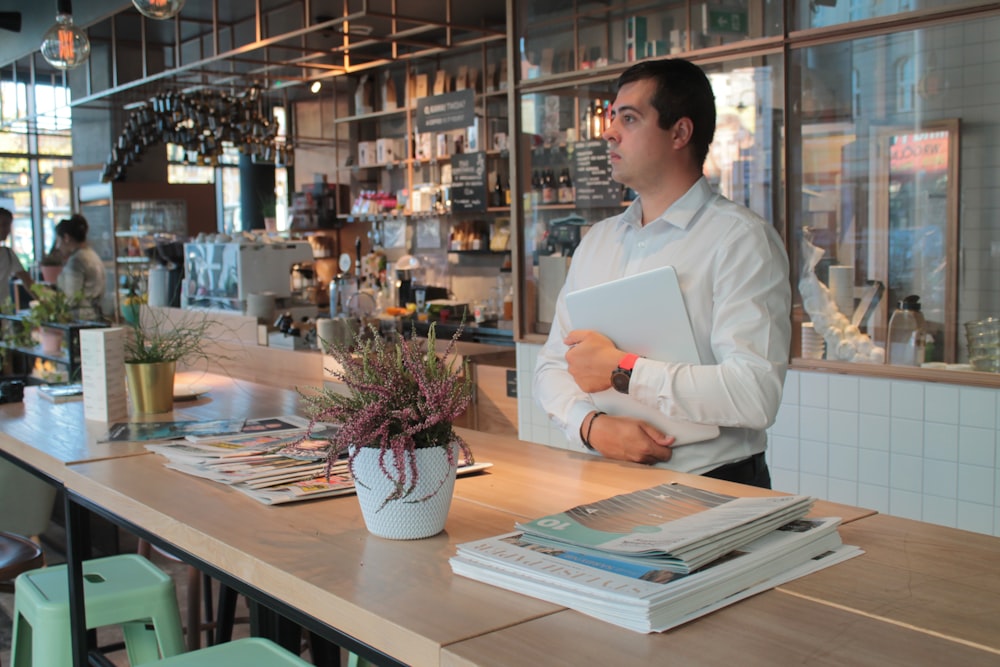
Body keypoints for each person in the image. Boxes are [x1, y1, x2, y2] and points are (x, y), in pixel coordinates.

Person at [533, 58, 791, 489]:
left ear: (680, 132)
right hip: (605, 476)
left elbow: (754, 394)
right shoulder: (597, 241)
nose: (609, 131)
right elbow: (551, 367)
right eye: (613, 116)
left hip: (715, 487)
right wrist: (590, 425)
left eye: (629, 118)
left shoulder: (740, 240)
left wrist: (624, 370)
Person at [54, 213, 106, 321]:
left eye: (58, 240)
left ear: (66, 238)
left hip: (80, 320)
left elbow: (71, 298)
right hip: (96, 316)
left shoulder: (76, 261)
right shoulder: (92, 255)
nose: (57, 246)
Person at [0, 207, 34, 303]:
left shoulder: (8, 254)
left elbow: (27, 282)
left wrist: (47, 302)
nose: (7, 230)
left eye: (8, 225)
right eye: (3, 225)